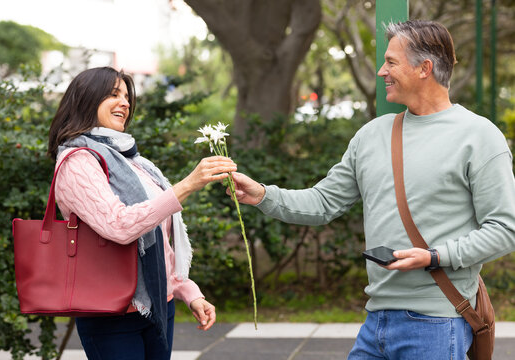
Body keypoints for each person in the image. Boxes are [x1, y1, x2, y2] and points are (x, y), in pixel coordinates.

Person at [228, 20, 515, 359]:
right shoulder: (371, 135)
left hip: (437, 324)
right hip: (375, 320)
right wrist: (262, 194)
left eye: (391, 62)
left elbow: (504, 230)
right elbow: (323, 202)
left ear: (424, 68)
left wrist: (436, 256)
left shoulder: (479, 136)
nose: (382, 71)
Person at [47, 66, 237, 360]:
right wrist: (187, 185)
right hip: (112, 313)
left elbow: (157, 238)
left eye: (126, 96)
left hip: (160, 306)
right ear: (86, 99)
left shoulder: (136, 163)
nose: (125, 102)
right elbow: (120, 226)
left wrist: (189, 291)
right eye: (113, 94)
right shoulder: (78, 162)